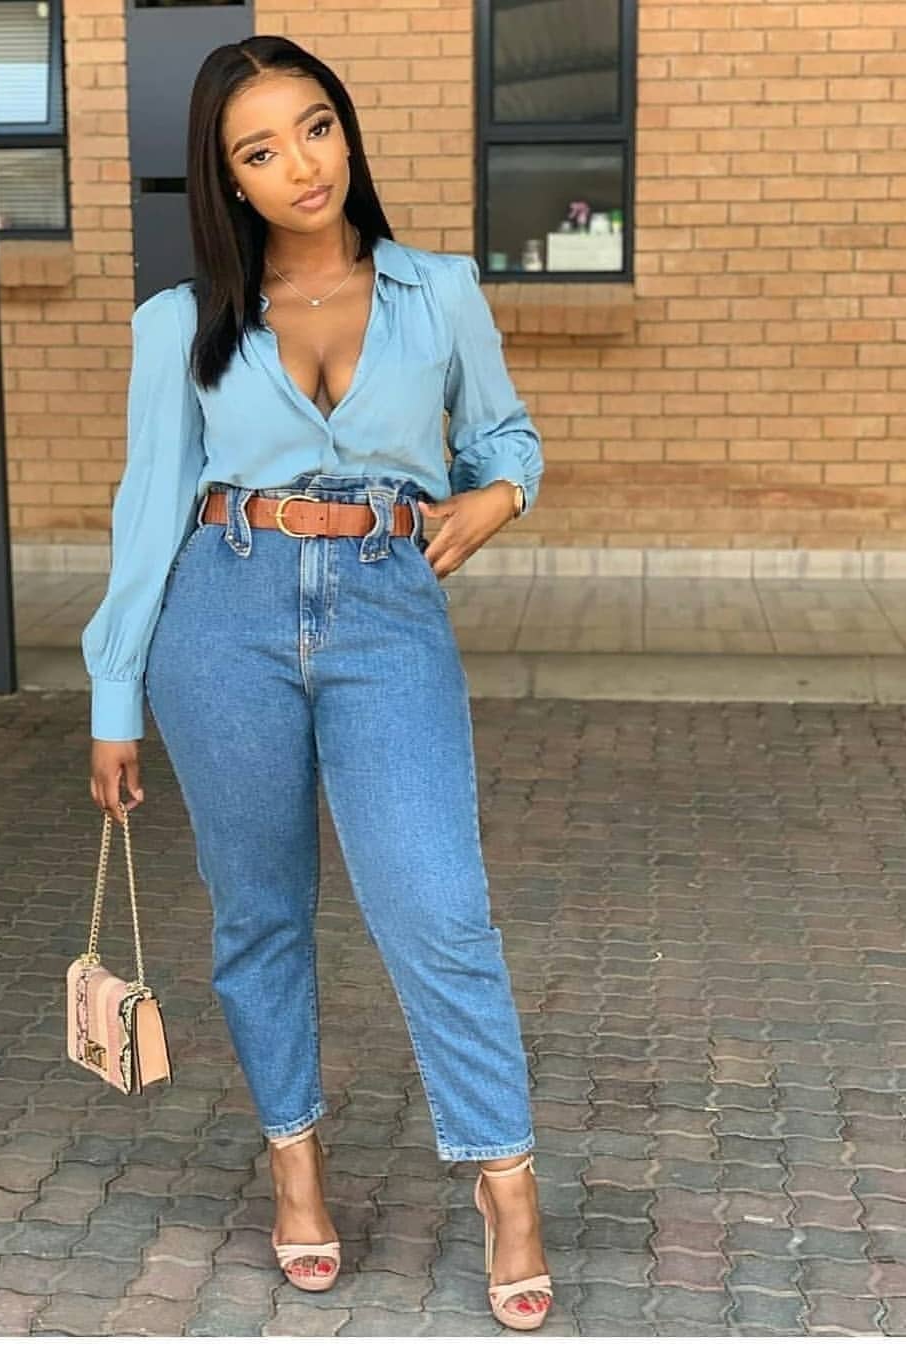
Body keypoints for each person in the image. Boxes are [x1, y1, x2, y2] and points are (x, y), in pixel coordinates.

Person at [82, 35, 552, 1330]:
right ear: (226, 178)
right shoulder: (179, 323)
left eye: (317, 127)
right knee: (259, 911)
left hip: (388, 611)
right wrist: (115, 695)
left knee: (437, 903)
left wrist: (497, 495)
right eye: (260, 149)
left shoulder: (437, 291)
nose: (300, 163)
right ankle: (295, 1165)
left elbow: (505, 435)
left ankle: (506, 1181)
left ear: (346, 130)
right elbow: (148, 511)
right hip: (220, 613)